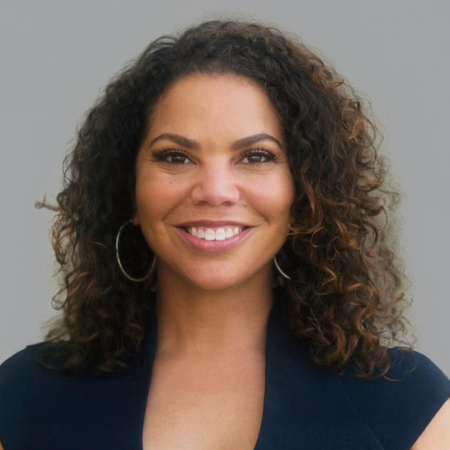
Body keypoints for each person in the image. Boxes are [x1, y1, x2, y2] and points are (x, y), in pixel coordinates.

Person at [0, 19, 449, 450]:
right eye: (176, 157)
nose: (214, 191)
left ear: (306, 192)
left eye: (256, 156)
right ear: (128, 188)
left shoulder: (408, 408)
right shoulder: (24, 400)